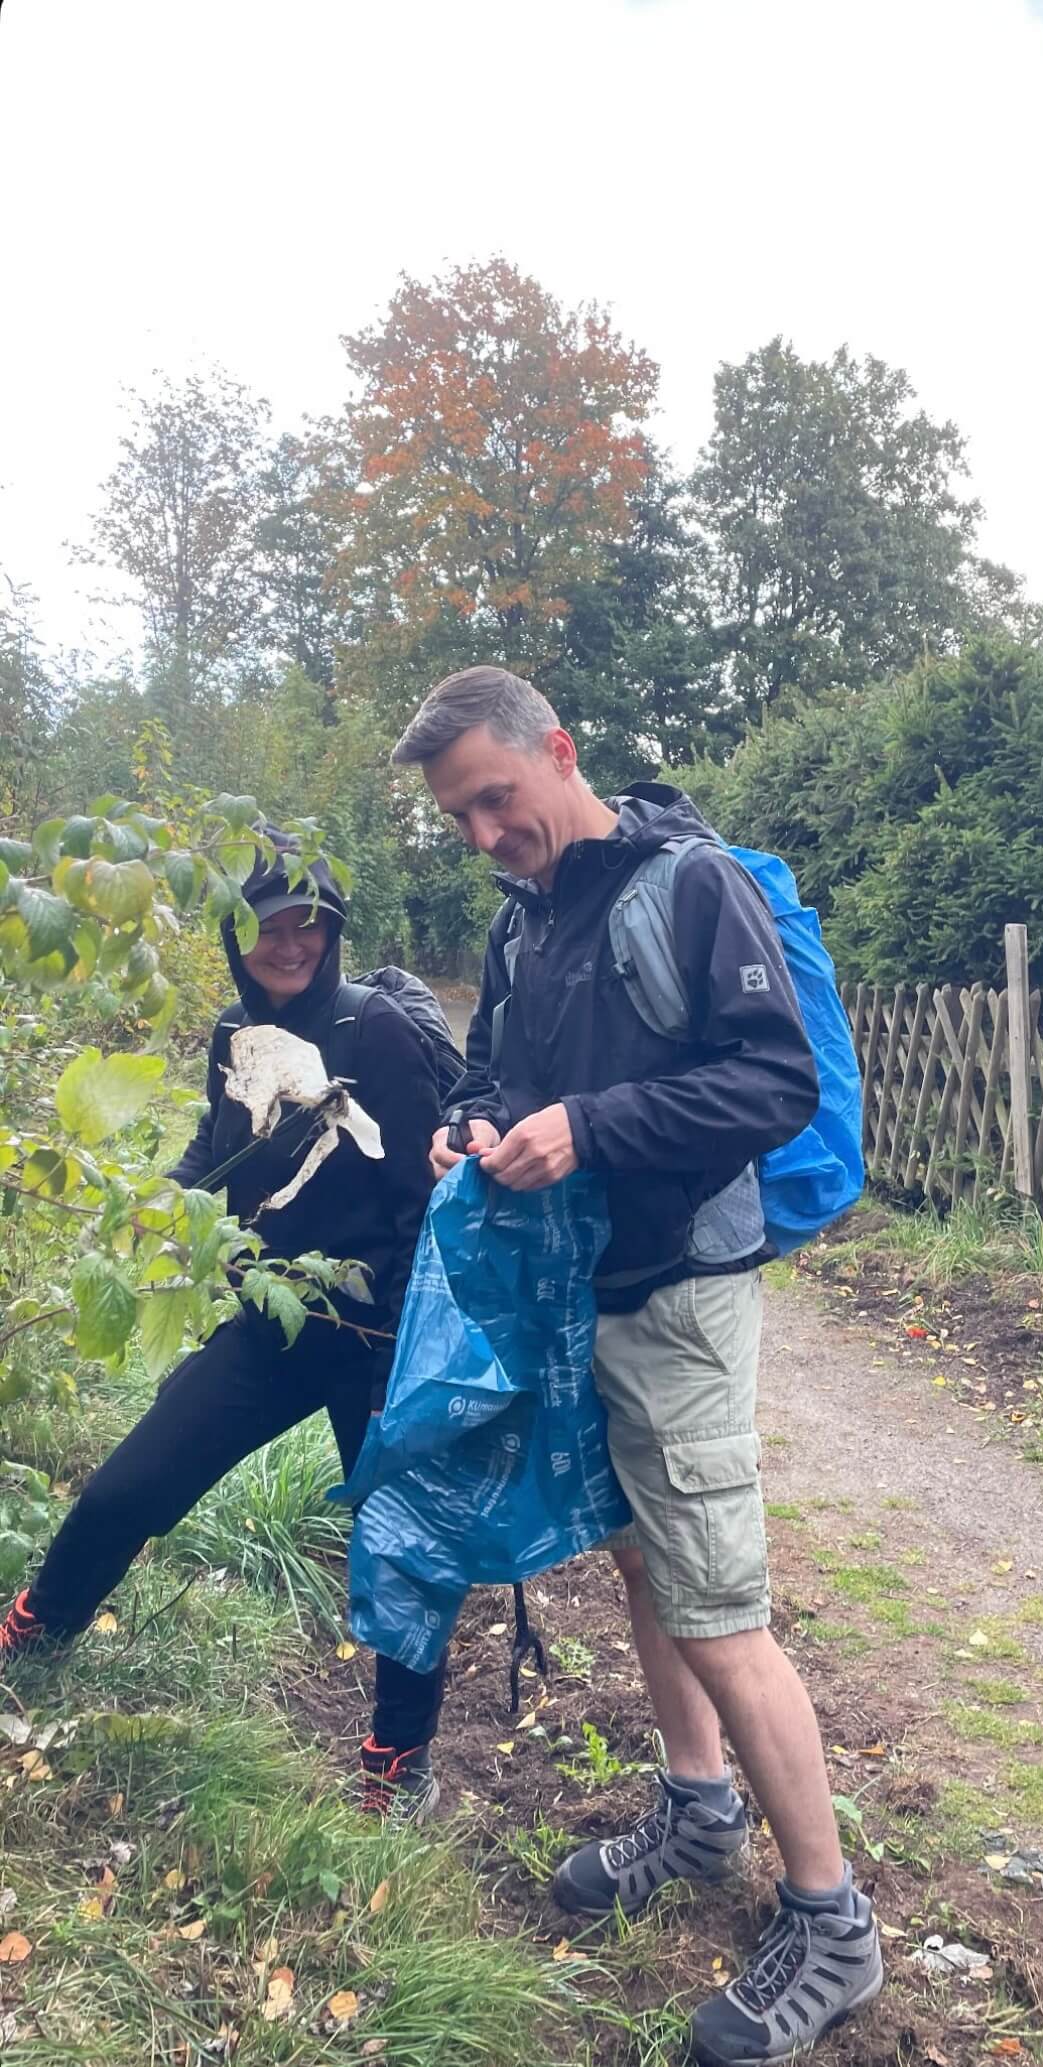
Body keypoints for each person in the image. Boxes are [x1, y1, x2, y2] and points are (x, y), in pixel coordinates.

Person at [393, 666, 883, 2064]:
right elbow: (489, 1069)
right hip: (577, 1291)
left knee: (718, 1605)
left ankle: (832, 1922)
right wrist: (466, 1124)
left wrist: (591, 1126)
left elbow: (773, 1081)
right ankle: (697, 1806)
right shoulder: (522, 919)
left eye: (497, 798)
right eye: (459, 817)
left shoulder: (690, 886)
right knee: (643, 1563)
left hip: (679, 1292)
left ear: (558, 752)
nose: (484, 832)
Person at [0, 841, 448, 1820]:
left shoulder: (372, 1032)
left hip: (374, 1337)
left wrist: (400, 1351)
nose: (286, 945)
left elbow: (425, 1196)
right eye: (263, 928)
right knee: (129, 1484)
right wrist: (164, 1202)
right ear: (233, 938)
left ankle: (398, 1759)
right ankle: (36, 1630)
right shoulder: (232, 1030)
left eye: (305, 925)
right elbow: (219, 1143)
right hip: (270, 1319)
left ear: (332, 931)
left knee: (398, 1549)